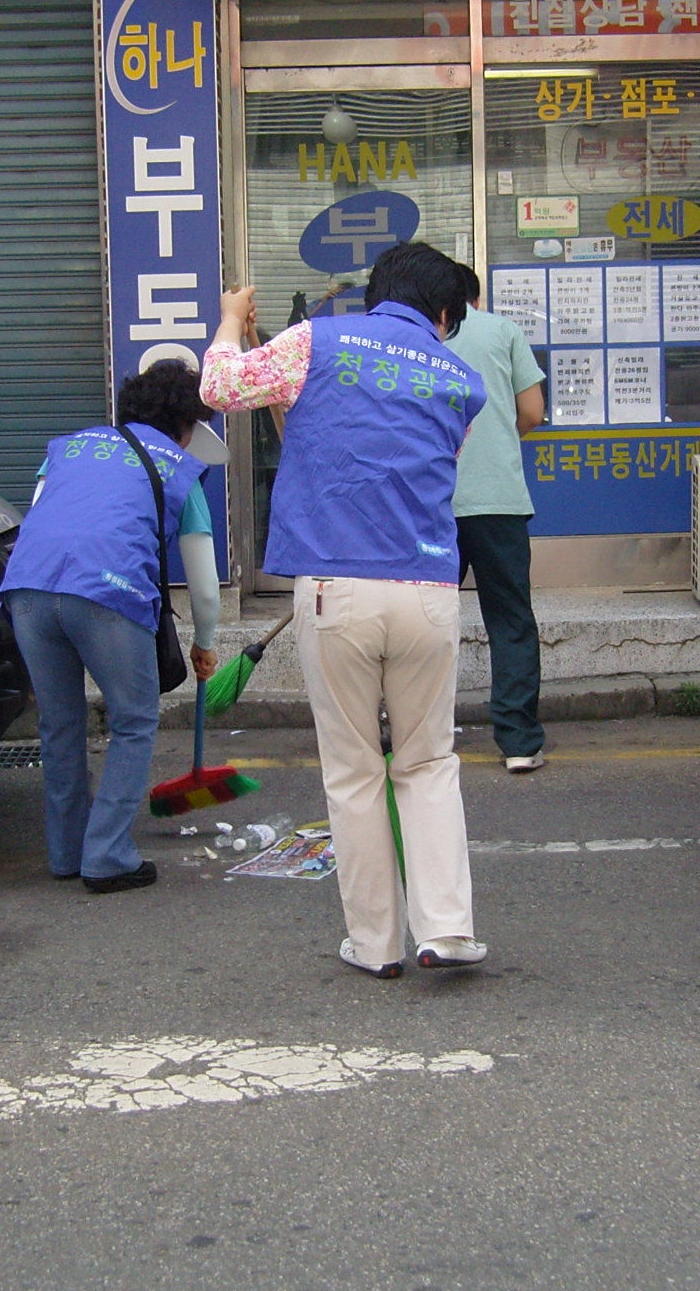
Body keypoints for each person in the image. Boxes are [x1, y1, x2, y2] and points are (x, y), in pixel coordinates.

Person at [202, 241, 491, 980]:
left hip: (336, 592)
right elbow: (425, 467)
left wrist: (233, 320)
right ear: (445, 312)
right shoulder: (462, 380)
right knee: (428, 762)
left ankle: (376, 945)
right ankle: (448, 932)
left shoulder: (316, 341)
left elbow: (222, 386)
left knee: (356, 772)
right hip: (427, 591)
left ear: (376, 293)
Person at [0, 361, 223, 894]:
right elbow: (208, 588)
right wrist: (205, 642)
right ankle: (107, 857)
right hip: (106, 594)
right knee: (133, 720)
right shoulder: (177, 464)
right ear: (186, 426)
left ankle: (67, 853)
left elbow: (41, 518)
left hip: (27, 589)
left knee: (59, 725)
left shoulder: (69, 449)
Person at [449, 263, 549, 773]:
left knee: (426, 622)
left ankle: (421, 732)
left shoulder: (417, 338)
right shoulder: (503, 331)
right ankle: (518, 741)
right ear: (476, 296)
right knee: (510, 620)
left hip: (431, 504)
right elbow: (531, 412)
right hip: (499, 501)